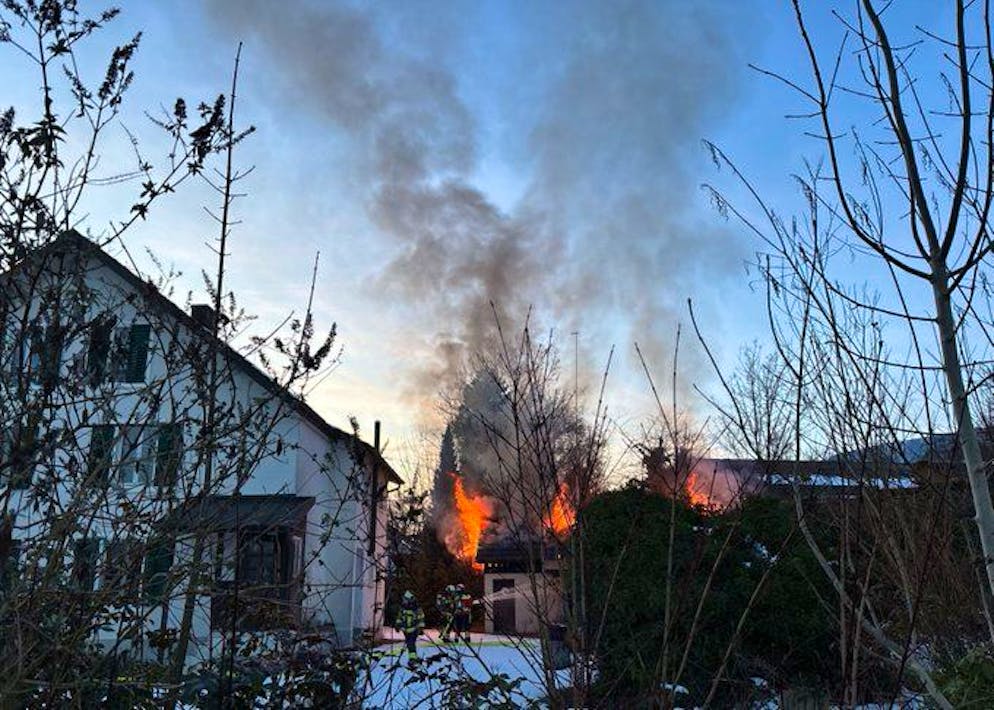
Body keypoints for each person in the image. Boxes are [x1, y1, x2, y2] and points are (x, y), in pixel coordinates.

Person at [395, 590, 425, 667]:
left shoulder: (416, 608)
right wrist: (398, 625)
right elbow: (399, 617)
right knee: (410, 644)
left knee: (411, 644)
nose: (404, 601)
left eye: (406, 599)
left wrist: (420, 628)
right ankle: (413, 657)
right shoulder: (403, 608)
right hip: (405, 630)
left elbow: (421, 618)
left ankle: (412, 659)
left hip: (414, 630)